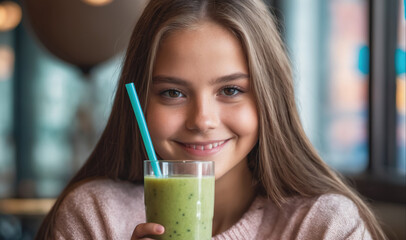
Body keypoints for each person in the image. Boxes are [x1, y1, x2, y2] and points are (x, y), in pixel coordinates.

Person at [35, 0, 387, 239]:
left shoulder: (324, 226)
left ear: (270, 98)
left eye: (231, 90)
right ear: (141, 101)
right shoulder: (95, 218)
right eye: (173, 93)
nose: (202, 120)